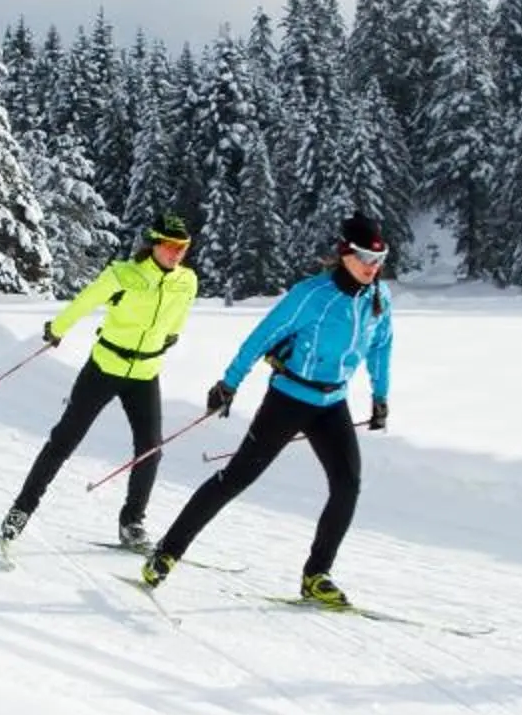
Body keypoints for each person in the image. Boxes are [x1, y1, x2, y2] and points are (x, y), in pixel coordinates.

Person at [141, 214, 393, 606]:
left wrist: (380, 395)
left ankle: (316, 575)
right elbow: (263, 336)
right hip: (289, 399)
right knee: (236, 478)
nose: (372, 267)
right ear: (344, 253)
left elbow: (381, 345)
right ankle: (167, 551)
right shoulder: (311, 295)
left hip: (332, 403)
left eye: (379, 259)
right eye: (363, 257)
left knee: (347, 485)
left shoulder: (379, 297)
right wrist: (229, 383)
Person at [0, 214, 201, 554]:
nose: (177, 253)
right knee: (65, 439)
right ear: (153, 244)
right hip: (105, 367)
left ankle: (132, 522)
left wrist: (170, 336)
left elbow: (180, 315)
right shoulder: (122, 275)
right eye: (170, 246)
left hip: (145, 374)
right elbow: (84, 302)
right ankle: (22, 509)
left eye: (183, 247)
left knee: (151, 449)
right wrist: (57, 328)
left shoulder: (186, 281)